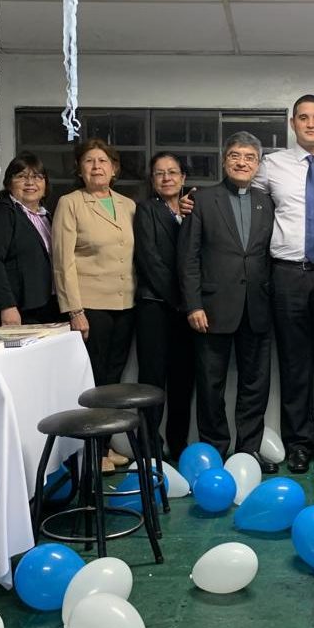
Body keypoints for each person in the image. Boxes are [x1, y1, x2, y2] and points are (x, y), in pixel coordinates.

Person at [253, 95, 314, 474]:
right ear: (293, 124)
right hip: (287, 273)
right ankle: (298, 443)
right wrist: (195, 204)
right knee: (294, 366)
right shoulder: (272, 165)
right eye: (303, 118)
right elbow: (240, 190)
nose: (310, 124)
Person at [179, 132, 277, 473]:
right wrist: (193, 305)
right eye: (235, 155)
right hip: (211, 309)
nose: (242, 162)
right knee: (210, 385)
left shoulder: (268, 201)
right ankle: (214, 452)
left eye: (250, 157)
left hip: (258, 309)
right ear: (224, 160)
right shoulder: (202, 200)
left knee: (255, 385)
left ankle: (247, 451)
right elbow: (188, 257)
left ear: (258, 164)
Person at [53, 138, 136, 473]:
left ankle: (105, 447)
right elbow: (62, 262)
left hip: (125, 303)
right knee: (94, 380)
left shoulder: (128, 205)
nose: (97, 166)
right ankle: (92, 453)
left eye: (103, 161)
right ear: (79, 169)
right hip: (90, 307)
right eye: (89, 161)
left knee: (113, 379)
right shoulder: (71, 203)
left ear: (114, 169)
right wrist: (74, 310)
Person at [133, 152, 196, 462]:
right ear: (152, 180)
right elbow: (150, 260)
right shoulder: (145, 210)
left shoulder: (192, 210)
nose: (167, 178)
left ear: (183, 178)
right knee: (152, 381)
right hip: (156, 307)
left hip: (186, 312)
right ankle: (149, 447)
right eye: (159, 173)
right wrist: (183, 299)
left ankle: (179, 445)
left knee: (183, 381)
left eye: (173, 172)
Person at [0, 152, 60, 328]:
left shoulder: (48, 217)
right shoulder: (0, 213)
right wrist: (7, 306)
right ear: (8, 183)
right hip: (16, 311)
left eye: (37, 177)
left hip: (46, 307)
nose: (30, 183)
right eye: (22, 176)